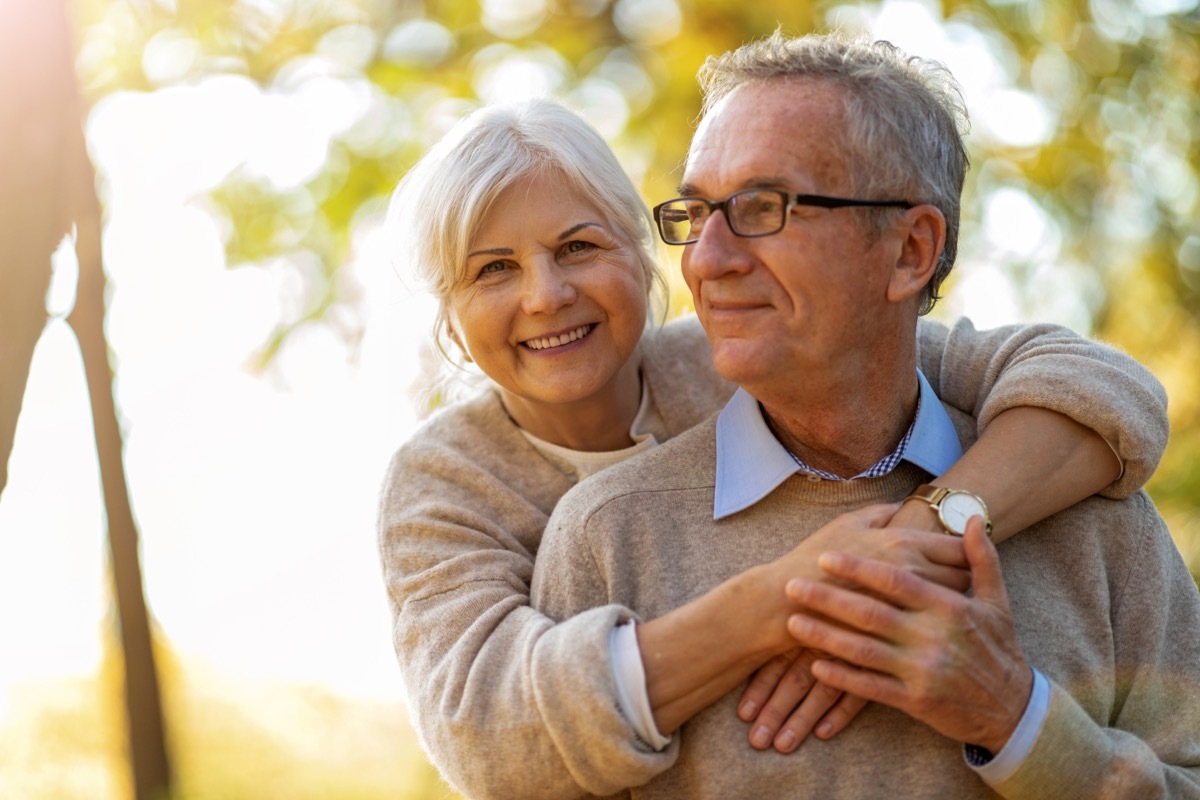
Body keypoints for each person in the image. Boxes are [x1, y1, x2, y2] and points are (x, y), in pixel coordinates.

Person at [377, 98, 1172, 800]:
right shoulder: (446, 483)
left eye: (579, 248)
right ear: (450, 309)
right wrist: (793, 599)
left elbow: (1095, 386)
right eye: (493, 269)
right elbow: (491, 734)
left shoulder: (744, 353)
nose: (545, 295)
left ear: (640, 250)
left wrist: (923, 536)